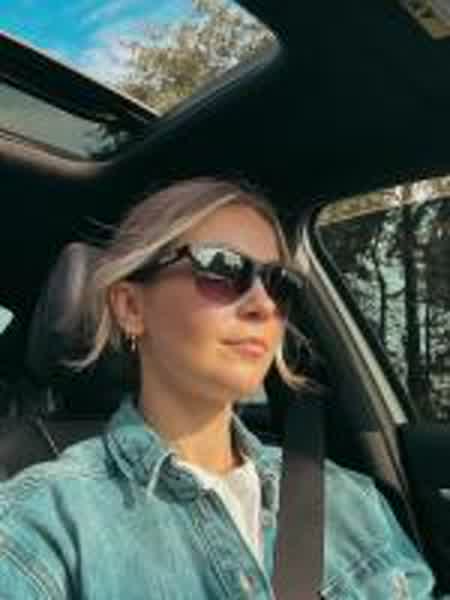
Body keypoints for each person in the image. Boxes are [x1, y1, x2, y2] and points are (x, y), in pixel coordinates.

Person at [0, 177, 443, 599]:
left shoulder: (352, 502)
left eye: (280, 282)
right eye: (221, 267)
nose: (263, 304)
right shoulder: (42, 524)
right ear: (131, 307)